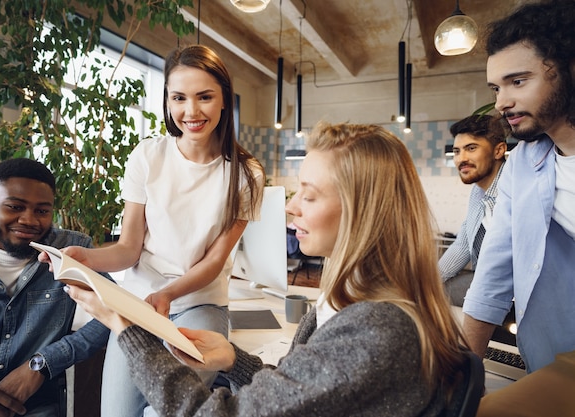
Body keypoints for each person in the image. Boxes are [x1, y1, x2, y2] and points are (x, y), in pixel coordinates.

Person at [65, 121, 472, 416]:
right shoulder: (352, 302)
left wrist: (126, 328)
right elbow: (303, 393)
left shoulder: (376, 330)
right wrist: (234, 361)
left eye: (309, 196)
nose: (291, 206)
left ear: (362, 210)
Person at [52, 44, 265, 417]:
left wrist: (167, 293)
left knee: (171, 410)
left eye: (204, 97)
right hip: (136, 304)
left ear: (224, 101)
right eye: (178, 97)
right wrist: (87, 258)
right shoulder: (147, 156)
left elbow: (216, 260)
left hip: (200, 302)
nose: (191, 111)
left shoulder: (247, 174)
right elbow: (129, 248)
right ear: (167, 100)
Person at [462, 0, 575, 374]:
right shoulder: (523, 164)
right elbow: (494, 272)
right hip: (547, 369)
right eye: (496, 87)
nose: (502, 102)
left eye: (518, 81)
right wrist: (464, 375)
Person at [0, 158, 110, 417]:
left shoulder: (71, 252)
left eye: (42, 211)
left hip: (36, 408)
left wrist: (43, 363)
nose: (28, 220)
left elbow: (113, 314)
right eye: (15, 207)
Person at [438, 114, 507, 306]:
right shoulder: (478, 193)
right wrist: (427, 283)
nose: (462, 159)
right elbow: (463, 245)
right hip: (488, 286)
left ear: (499, 150)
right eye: (457, 151)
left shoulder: (516, 191)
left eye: (471, 148)